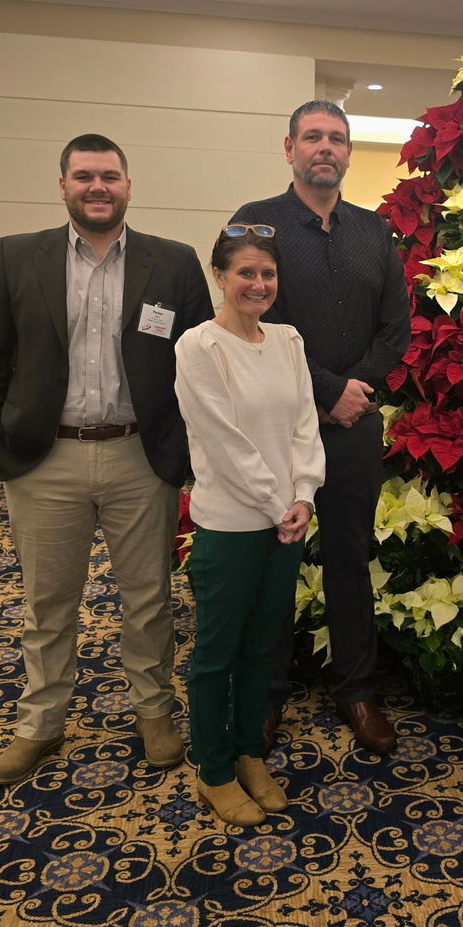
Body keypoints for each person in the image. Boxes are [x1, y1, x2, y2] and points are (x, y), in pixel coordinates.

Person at [0, 133, 214, 785]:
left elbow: (199, 366)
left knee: (149, 599)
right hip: (46, 459)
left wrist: (182, 450)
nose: (97, 187)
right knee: (47, 605)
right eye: (84, 176)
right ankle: (40, 725)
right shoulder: (20, 257)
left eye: (109, 176)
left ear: (128, 186)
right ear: (63, 185)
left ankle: (154, 710)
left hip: (140, 456)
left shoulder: (175, 263)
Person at [229, 100, 410, 755]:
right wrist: (328, 389)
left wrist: (354, 392)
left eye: (336, 138)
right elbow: (248, 319)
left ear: (349, 153)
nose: (324, 148)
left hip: (354, 425)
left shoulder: (375, 231)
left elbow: (397, 327)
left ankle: (355, 690)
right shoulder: (255, 226)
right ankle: (266, 694)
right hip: (276, 425)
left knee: (350, 559)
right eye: (313, 137)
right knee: (275, 560)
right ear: (289, 148)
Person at [174, 224, 325, 826]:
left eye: (267, 274)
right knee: (217, 653)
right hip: (232, 525)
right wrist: (277, 504)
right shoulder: (198, 347)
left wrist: (306, 495)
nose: (258, 284)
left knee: (264, 644)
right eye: (245, 273)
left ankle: (246, 753)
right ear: (220, 277)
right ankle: (212, 770)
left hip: (286, 523)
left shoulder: (287, 339)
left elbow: (305, 424)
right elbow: (223, 440)